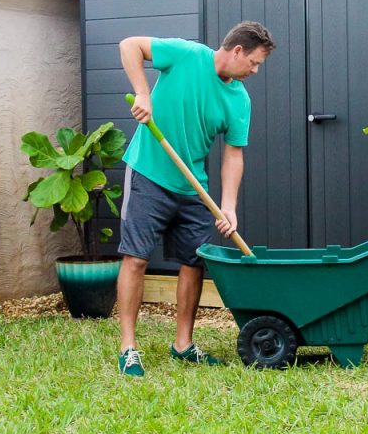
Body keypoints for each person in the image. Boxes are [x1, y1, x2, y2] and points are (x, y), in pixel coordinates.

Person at [115, 21, 274, 376]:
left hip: (193, 188)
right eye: (254, 62)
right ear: (237, 51)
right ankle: (128, 347)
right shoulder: (187, 55)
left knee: (193, 263)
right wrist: (142, 93)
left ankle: (183, 344)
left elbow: (234, 154)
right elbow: (130, 44)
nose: (255, 70)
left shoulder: (239, 100)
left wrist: (228, 206)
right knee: (136, 258)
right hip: (149, 174)